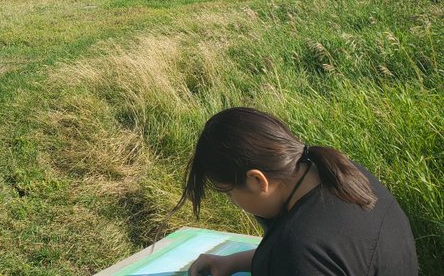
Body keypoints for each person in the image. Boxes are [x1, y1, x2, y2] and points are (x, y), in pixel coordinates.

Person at [177, 107, 417, 275]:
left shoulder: (299, 247)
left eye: (228, 193)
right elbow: (335, 258)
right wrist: (233, 262)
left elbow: (306, 257)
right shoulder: (344, 174)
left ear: (257, 181)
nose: (233, 202)